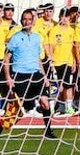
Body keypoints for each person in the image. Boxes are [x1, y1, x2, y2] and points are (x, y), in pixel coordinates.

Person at [4, 8, 54, 137]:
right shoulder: (15, 38)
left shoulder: (37, 38)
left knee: (45, 102)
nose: (27, 22)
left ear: (33, 21)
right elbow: (6, 59)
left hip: (36, 74)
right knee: (18, 108)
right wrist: (8, 77)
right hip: (20, 75)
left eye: (29, 19)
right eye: (24, 19)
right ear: (21, 21)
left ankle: (48, 131)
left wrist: (44, 76)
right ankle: (0, 126)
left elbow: (37, 58)